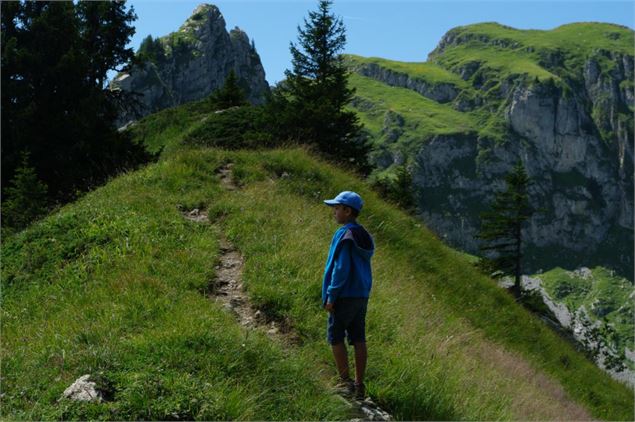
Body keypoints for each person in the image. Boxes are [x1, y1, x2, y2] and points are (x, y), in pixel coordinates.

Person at [321, 190, 375, 400]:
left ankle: (345, 384)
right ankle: (359, 385)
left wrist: (331, 295)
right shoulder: (364, 235)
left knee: (335, 336)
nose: (334, 212)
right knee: (358, 337)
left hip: (344, 295)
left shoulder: (344, 234)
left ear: (347, 211)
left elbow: (341, 268)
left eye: (336, 208)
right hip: (361, 295)